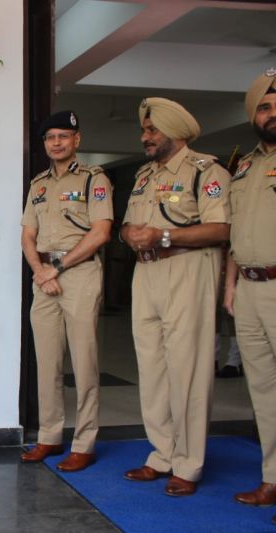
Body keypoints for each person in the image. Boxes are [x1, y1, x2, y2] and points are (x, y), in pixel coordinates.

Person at [121, 98, 230, 496]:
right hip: (145, 272)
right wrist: (127, 235)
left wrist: (163, 236)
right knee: (151, 369)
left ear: (176, 133)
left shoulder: (207, 171)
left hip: (187, 269)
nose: (144, 137)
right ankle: (162, 453)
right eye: (145, 130)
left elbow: (221, 229)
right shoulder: (144, 175)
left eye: (152, 131)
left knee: (189, 369)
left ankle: (189, 462)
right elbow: (130, 224)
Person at [20, 111, 113, 472]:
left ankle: (85, 443)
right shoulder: (38, 184)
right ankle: (49, 435)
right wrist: (41, 271)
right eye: (50, 137)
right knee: (47, 362)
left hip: (79, 274)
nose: (56, 142)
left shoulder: (95, 179)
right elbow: (28, 234)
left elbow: (101, 232)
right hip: (44, 276)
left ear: (77, 140)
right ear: (44, 144)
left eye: (63, 136)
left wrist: (56, 269)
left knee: (85, 361)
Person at [223, 69, 276, 514]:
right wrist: (231, 285)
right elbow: (235, 234)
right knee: (261, 389)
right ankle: (272, 478)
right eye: (265, 106)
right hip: (250, 288)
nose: (272, 113)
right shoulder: (244, 165)